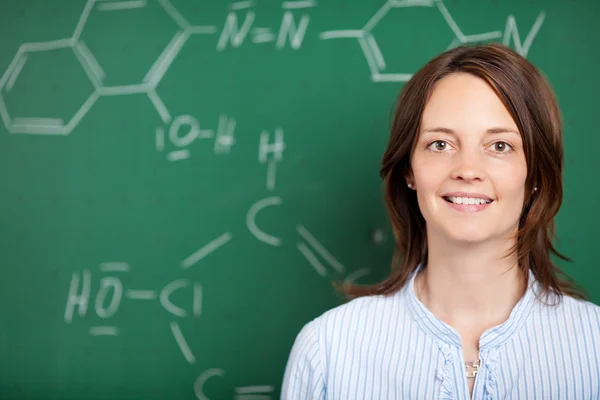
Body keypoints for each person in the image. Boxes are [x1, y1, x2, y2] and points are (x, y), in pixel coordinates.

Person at [281, 43, 600, 399]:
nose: (467, 170)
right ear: (409, 170)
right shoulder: (327, 351)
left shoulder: (595, 346)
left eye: (499, 146)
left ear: (535, 172)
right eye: (440, 144)